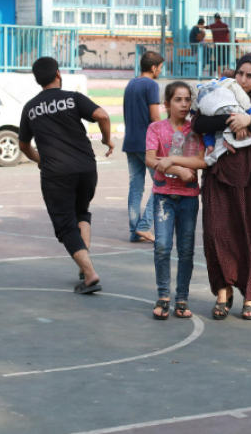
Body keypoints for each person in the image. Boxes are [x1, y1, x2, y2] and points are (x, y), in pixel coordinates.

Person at [193, 53, 251, 321]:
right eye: (240, 73)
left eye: (249, 75)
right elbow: (197, 122)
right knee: (216, 233)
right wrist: (232, 118)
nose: (242, 80)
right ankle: (223, 291)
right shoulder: (224, 92)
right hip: (221, 174)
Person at [18, 57, 115, 294]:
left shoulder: (30, 108)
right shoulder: (73, 98)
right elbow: (102, 116)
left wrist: (40, 160)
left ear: (37, 80)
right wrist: (106, 139)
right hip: (86, 168)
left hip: (56, 174)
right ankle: (84, 265)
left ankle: (90, 274)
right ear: (58, 74)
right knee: (81, 212)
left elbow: (23, 146)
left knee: (65, 226)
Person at [146, 82, 207, 320]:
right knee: (162, 246)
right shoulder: (156, 128)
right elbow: (151, 159)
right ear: (167, 104)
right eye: (178, 100)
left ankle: (182, 298)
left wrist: (172, 161)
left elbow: (202, 161)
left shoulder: (196, 129)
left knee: (186, 250)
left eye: (187, 99)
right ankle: (163, 296)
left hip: (188, 199)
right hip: (163, 196)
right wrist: (178, 169)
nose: (183, 104)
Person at [123, 52, 163, 243]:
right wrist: (164, 138)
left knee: (135, 188)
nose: (160, 71)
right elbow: (155, 117)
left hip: (130, 142)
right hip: (147, 143)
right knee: (161, 184)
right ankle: (144, 226)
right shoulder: (151, 85)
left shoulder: (131, 84)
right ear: (153, 67)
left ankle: (134, 231)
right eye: (160, 68)